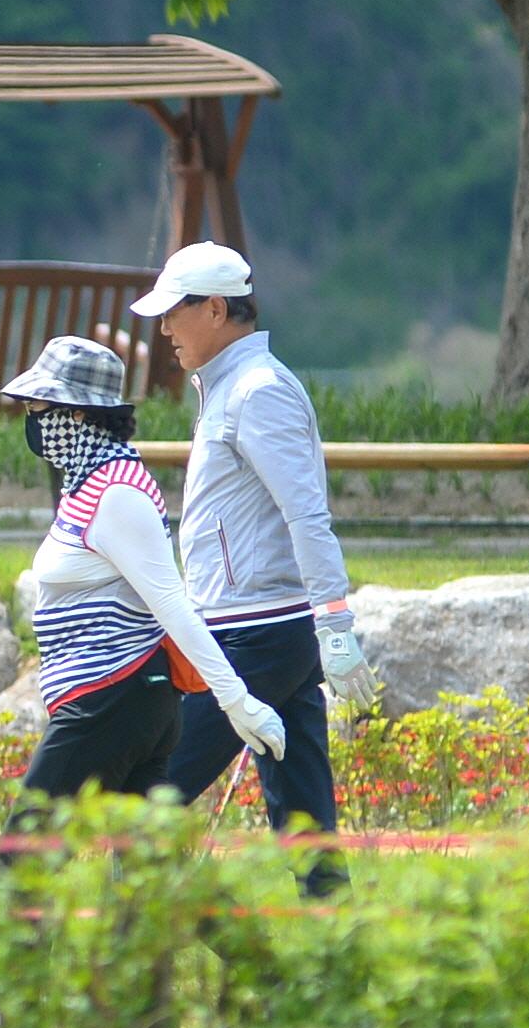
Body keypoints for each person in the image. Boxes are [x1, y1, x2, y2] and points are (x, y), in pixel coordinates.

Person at [136, 242, 365, 898]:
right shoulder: (232, 386)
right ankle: (337, 974)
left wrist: (337, 623)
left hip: (255, 631)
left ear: (214, 308)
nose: (165, 329)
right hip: (263, 627)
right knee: (304, 817)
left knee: (149, 801)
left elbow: (306, 514)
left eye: (174, 312)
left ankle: (245, 966)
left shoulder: (258, 391)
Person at [0, 333, 284, 829]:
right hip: (117, 694)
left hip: (113, 694)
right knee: (145, 877)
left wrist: (236, 701)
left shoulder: (116, 494)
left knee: (26, 855)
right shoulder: (88, 483)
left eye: (39, 406)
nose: (32, 420)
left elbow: (172, 603)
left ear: (79, 414)